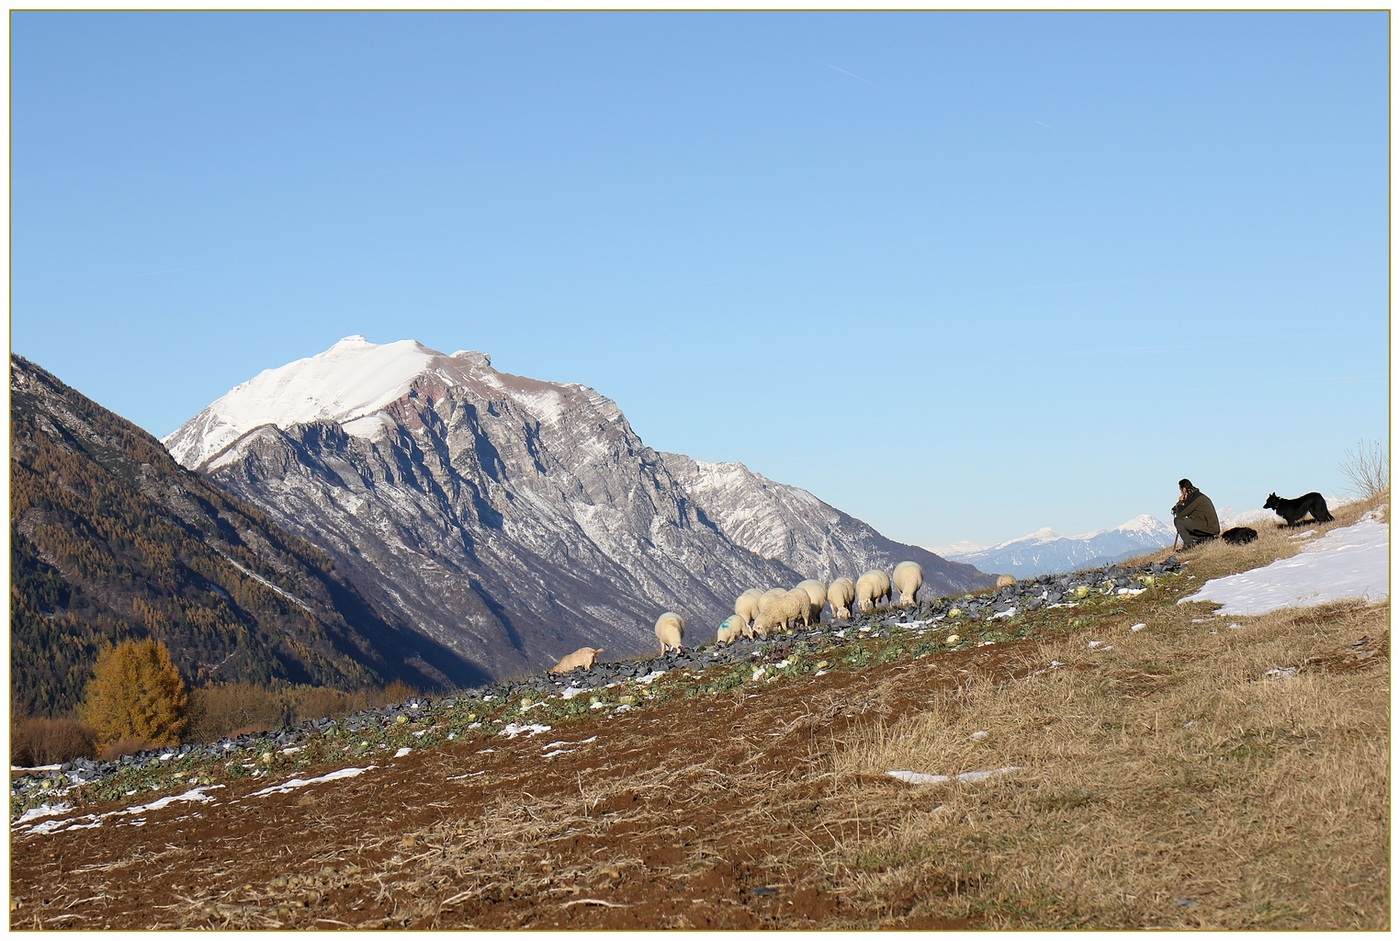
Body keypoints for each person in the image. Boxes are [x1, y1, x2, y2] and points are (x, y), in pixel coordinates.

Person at [1171, 478, 1220, 549]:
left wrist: (1180, 502)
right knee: (1186, 526)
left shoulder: (1194, 499)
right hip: (1210, 527)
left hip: (1209, 529)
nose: (1181, 492)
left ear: (1184, 489)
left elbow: (1180, 513)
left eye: (1181, 490)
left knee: (1178, 521)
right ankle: (1204, 540)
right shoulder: (1196, 496)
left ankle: (1189, 546)